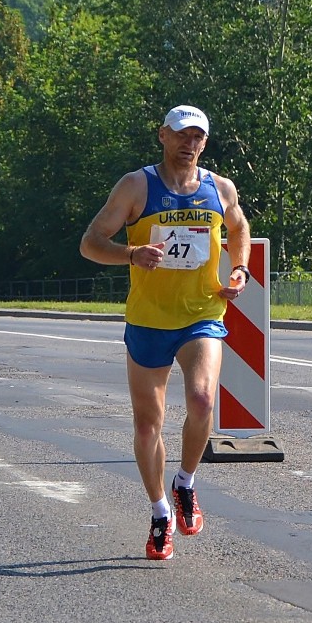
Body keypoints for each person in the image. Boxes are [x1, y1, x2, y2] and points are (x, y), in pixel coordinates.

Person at [80, 104, 251, 562]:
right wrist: (132, 254)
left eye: (197, 137)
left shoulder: (220, 188)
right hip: (150, 319)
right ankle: (159, 513)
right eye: (180, 135)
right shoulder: (137, 186)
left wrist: (239, 269)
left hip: (202, 314)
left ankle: (186, 483)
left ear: (205, 143)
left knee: (201, 400)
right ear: (162, 136)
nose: (188, 144)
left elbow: (239, 228)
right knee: (147, 423)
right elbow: (90, 242)